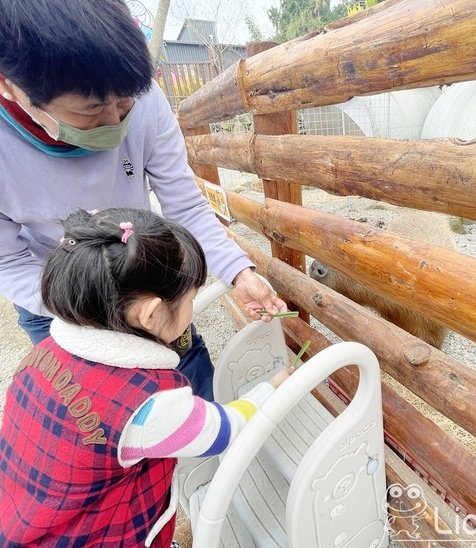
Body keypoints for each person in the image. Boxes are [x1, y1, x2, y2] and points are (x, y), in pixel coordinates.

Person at [0, 0, 286, 400]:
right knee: (107, 411)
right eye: (92, 110)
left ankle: (209, 450)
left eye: (125, 103)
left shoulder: (143, 100)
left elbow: (184, 205)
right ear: (9, 85)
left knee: (189, 384)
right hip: (62, 298)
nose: (117, 124)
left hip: (147, 275)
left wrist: (238, 271)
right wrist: (99, 314)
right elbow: (9, 262)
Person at [0, 208, 293, 548]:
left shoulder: (44, 356)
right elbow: (224, 429)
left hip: (34, 540)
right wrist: (271, 389)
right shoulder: (149, 406)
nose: (191, 307)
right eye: (191, 298)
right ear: (151, 314)